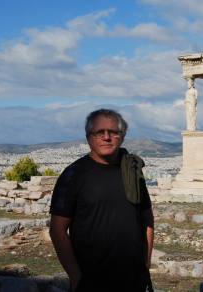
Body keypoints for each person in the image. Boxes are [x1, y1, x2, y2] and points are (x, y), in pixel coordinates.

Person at [49, 109, 154, 292]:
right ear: (89, 137)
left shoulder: (132, 171)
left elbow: (146, 219)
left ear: (121, 137)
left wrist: (145, 265)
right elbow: (57, 229)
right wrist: (75, 276)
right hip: (91, 280)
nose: (107, 137)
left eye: (113, 132)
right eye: (99, 132)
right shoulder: (74, 175)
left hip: (133, 278)